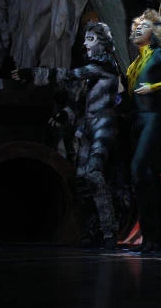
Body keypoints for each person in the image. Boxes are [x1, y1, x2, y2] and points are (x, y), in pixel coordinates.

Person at [13, 22, 121, 249]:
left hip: (103, 125)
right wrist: (64, 115)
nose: (85, 44)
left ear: (102, 42)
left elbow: (70, 75)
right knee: (81, 178)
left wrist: (33, 74)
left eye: (90, 39)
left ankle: (109, 231)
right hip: (88, 125)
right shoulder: (93, 69)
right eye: (86, 39)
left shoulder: (104, 65)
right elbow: (81, 101)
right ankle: (92, 229)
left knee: (93, 174)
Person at [125, 10, 161, 252]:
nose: (138, 29)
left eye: (144, 26)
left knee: (140, 170)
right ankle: (151, 236)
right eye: (137, 26)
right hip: (137, 120)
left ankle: (154, 235)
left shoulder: (157, 54)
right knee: (144, 177)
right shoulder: (136, 61)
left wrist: (155, 86)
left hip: (153, 119)